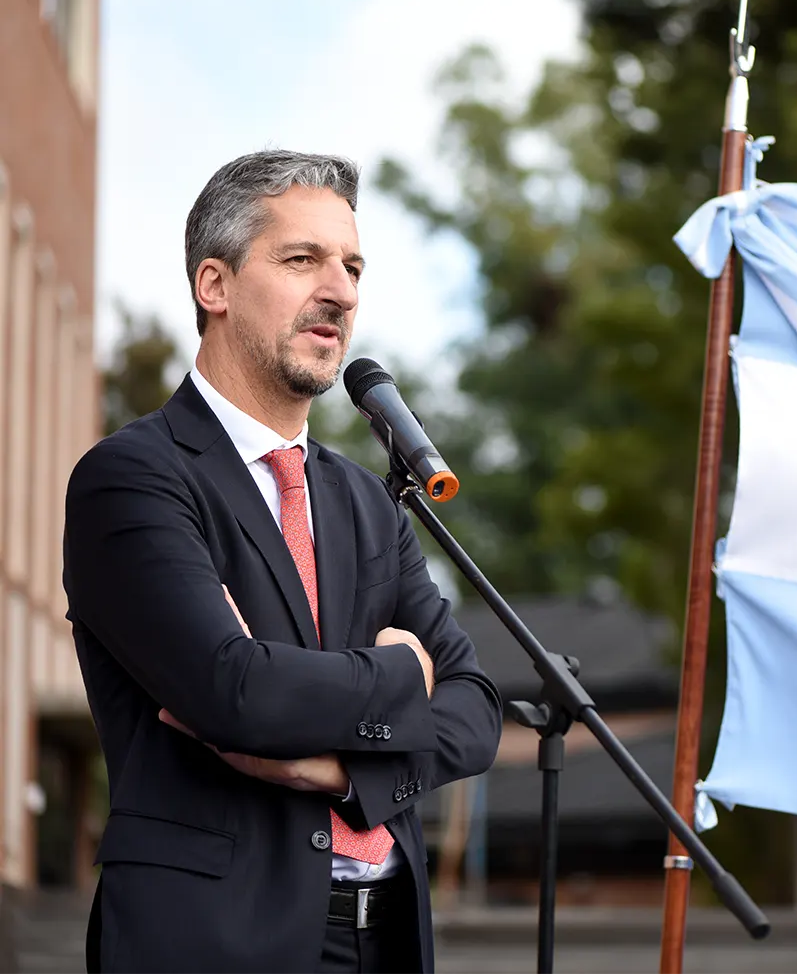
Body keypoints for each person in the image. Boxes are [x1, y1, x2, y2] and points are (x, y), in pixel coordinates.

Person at [63, 150, 503, 974]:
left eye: (353, 266)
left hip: (388, 939)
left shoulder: (369, 502)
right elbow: (236, 693)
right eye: (302, 259)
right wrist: (403, 673)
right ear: (215, 286)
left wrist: (344, 776)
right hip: (213, 941)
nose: (339, 288)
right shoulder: (132, 478)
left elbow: (477, 707)